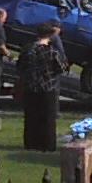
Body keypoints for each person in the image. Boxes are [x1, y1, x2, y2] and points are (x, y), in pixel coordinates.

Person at [16, 21, 68, 153]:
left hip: (31, 87)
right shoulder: (51, 52)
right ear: (50, 35)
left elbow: (20, 67)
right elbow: (61, 69)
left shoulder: (27, 49)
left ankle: (31, 143)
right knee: (48, 119)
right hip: (48, 88)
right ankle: (47, 144)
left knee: (31, 117)